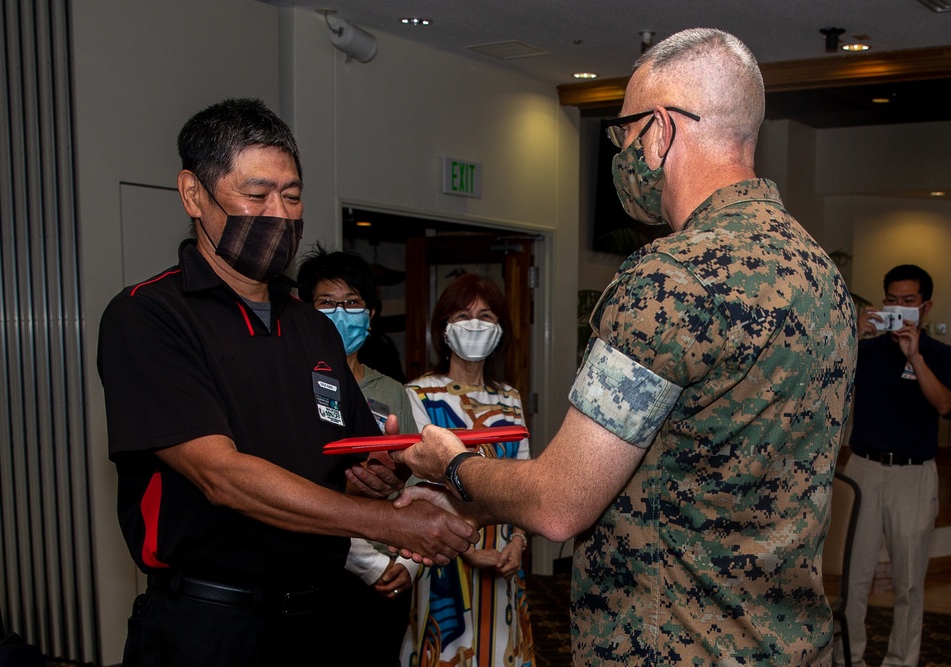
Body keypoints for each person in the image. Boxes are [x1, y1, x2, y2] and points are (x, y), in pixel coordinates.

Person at [393, 28, 857, 665]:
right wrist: (471, 508)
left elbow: (561, 504)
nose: (622, 154)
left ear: (661, 130)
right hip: (786, 643)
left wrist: (451, 463)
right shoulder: (821, 275)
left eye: (624, 134)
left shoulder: (670, 279)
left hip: (673, 646)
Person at [96, 98, 475, 667]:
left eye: (292, 196)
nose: (280, 215)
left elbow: (337, 466)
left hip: (322, 620)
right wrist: (390, 521)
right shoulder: (148, 316)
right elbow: (223, 476)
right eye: (256, 195)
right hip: (210, 629)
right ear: (194, 194)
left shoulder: (312, 328)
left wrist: (376, 479)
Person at [402, 273, 534, 667]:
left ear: (500, 330)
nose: (475, 323)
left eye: (486, 315)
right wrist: (468, 549)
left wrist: (519, 542)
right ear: (443, 329)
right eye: (463, 314)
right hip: (444, 555)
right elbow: (417, 483)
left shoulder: (509, 398)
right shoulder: (420, 394)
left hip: (506, 555)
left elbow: (525, 476)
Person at [297, 245, 418, 666]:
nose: (340, 312)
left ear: (370, 313)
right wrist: (365, 564)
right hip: (320, 569)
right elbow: (297, 485)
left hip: (389, 570)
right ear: (304, 309)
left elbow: (416, 480)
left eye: (352, 303)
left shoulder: (392, 393)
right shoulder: (294, 389)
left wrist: (408, 563)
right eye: (326, 303)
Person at [842, 264, 951, 667]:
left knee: (909, 582)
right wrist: (851, 335)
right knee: (853, 578)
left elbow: (945, 405)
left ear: (925, 307)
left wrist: (916, 358)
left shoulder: (943, 356)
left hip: (914, 475)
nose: (898, 308)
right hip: (864, 470)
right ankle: (849, 657)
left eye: (908, 302)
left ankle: (901, 661)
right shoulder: (867, 351)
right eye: (891, 300)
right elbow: (826, 381)